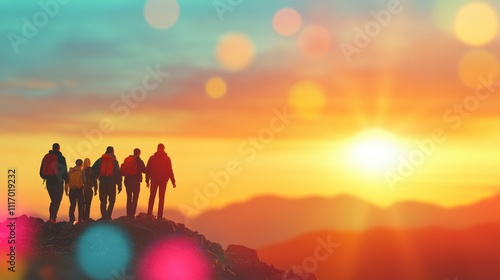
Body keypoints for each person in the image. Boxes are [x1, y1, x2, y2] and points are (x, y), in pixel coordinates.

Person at [146, 143, 176, 220]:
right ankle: (159, 215)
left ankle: (149, 212)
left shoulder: (152, 158)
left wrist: (147, 180)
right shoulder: (167, 159)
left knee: (152, 196)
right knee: (161, 198)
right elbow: (170, 170)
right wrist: (173, 181)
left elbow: (148, 169)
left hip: (154, 180)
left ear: (157, 148)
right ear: (163, 149)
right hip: (163, 181)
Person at [40, 143, 69, 223]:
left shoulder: (46, 157)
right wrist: (67, 181)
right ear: (59, 148)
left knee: (53, 200)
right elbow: (64, 171)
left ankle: (51, 218)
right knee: (57, 200)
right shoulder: (61, 158)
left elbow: (41, 172)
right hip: (58, 182)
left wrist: (47, 177)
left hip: (49, 182)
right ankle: (53, 218)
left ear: (52, 148)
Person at [92, 146, 122, 220]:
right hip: (112, 183)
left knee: (103, 200)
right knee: (112, 200)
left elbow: (93, 168)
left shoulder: (101, 160)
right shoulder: (114, 161)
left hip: (102, 182)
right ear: (113, 152)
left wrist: (99, 174)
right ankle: (108, 216)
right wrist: (119, 185)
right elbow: (118, 173)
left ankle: (104, 216)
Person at [121, 148, 147, 218]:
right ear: (139, 153)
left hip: (127, 181)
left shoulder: (128, 160)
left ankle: (128, 213)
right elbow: (145, 170)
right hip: (136, 182)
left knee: (129, 197)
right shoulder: (139, 161)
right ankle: (132, 214)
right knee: (135, 197)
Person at [66, 159, 84, 224]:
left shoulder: (70, 171)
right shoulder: (82, 172)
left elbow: (67, 180)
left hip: (72, 190)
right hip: (79, 190)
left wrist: (66, 189)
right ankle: (80, 218)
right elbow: (84, 181)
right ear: (81, 164)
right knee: (80, 205)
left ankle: (71, 218)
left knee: (72, 205)